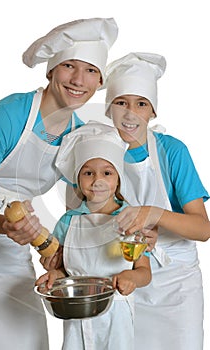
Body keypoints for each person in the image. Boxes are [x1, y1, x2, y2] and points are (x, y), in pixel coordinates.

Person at [0, 18, 118, 350]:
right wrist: (4, 225)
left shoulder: (78, 138)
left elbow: (80, 214)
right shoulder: (7, 116)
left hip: (13, 251)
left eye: (90, 71)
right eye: (69, 66)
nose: (78, 80)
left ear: (99, 82)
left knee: (30, 341)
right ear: (51, 70)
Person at [103, 52, 210, 350]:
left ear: (152, 112)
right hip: (125, 279)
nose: (130, 113)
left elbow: (203, 229)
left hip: (176, 285)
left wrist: (153, 214)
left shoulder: (172, 152)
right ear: (109, 108)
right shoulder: (98, 153)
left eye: (141, 104)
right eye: (121, 102)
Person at [36, 122, 152, 350]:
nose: (97, 180)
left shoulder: (130, 219)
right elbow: (62, 269)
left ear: (117, 178)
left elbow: (145, 271)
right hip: (77, 314)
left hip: (117, 315)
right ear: (78, 179)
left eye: (107, 173)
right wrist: (53, 275)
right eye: (88, 172)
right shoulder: (68, 221)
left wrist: (132, 279)